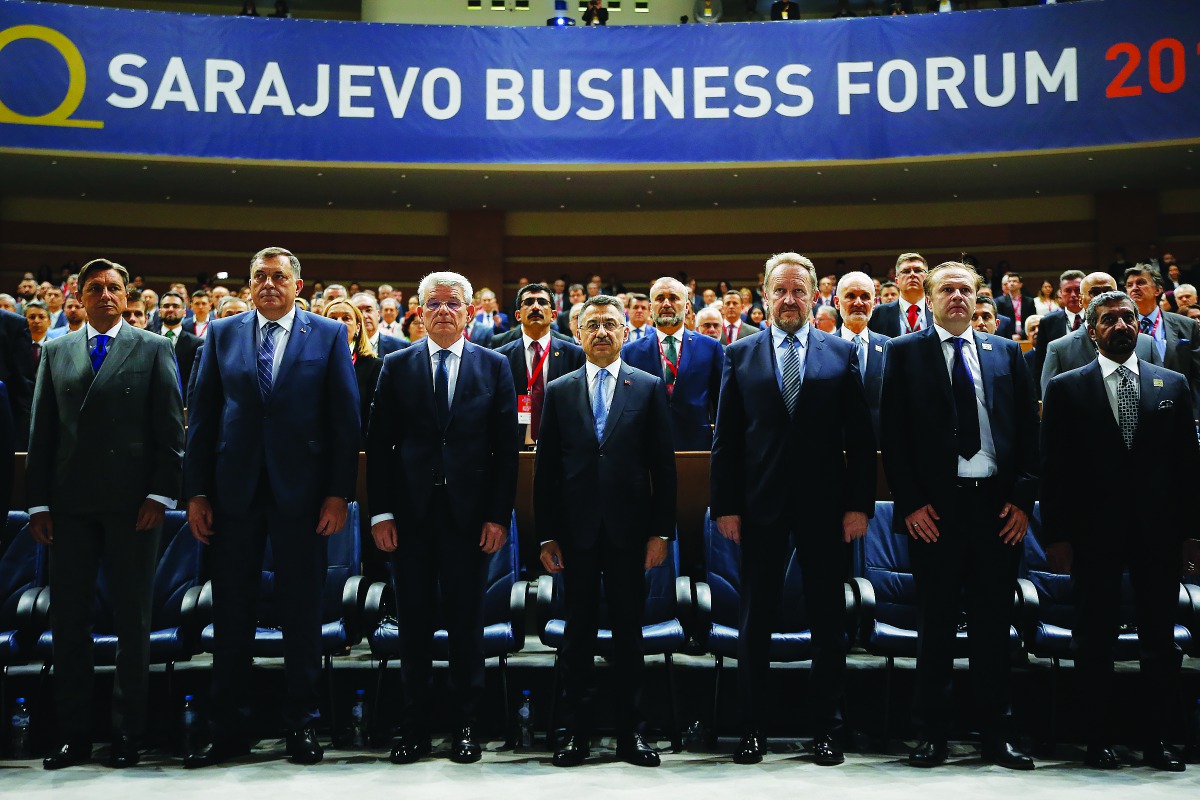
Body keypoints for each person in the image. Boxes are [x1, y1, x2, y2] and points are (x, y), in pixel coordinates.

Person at [184, 247, 360, 768]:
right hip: (232, 494)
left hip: (303, 497)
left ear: (297, 285)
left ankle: (302, 727)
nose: (267, 284)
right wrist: (195, 492)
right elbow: (204, 417)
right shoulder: (222, 333)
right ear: (248, 284)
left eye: (278, 277)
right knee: (231, 614)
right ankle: (227, 730)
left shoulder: (327, 335)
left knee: (301, 613)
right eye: (259, 276)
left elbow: (343, 420)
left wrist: (338, 492)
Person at [711, 252, 874, 766]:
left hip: (826, 509)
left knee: (828, 620)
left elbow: (861, 439)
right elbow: (728, 443)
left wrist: (858, 506)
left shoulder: (840, 352)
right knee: (755, 618)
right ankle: (751, 728)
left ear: (813, 296)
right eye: (779, 290)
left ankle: (828, 728)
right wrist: (727, 507)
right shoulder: (739, 355)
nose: (788, 299)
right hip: (759, 508)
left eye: (798, 290)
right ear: (764, 296)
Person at [880, 261, 1039, 771]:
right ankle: (931, 734)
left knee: (995, 627)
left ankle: (997, 733)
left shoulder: (1006, 352)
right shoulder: (904, 353)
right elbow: (893, 438)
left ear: (977, 299)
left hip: (997, 509)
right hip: (935, 512)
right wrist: (909, 505)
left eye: (965, 290)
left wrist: (1021, 501)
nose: (956, 297)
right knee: (937, 626)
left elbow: (1029, 438)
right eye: (946, 289)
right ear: (928, 299)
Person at [28, 258, 184, 769]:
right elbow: (43, 436)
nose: (106, 295)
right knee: (70, 623)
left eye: (114, 288)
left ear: (128, 296)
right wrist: (39, 503)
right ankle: (73, 735)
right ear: (79, 295)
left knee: (132, 624)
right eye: (95, 288)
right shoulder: (55, 350)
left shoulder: (154, 347)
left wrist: (160, 497)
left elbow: (170, 434)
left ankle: (126, 734)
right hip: (70, 507)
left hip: (132, 507)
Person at [1040, 291, 1200, 772]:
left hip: (1160, 537)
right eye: (1108, 319)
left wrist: (1192, 535)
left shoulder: (1171, 383)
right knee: (1094, 641)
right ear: (1092, 331)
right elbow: (1055, 471)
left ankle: (1157, 742)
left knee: (1160, 641)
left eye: (1128, 317)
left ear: (1140, 325)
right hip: (1093, 537)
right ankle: (1096, 740)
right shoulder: (1067, 387)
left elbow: (1189, 469)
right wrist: (1058, 537)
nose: (1120, 325)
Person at [367, 271, 519, 766]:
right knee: (411, 624)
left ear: (470, 312)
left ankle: (466, 726)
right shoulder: (397, 364)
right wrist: (381, 513)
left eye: (453, 304)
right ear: (418, 310)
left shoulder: (494, 366)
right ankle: (414, 727)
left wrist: (498, 515)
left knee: (465, 625)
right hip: (409, 516)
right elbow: (381, 448)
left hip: (469, 518)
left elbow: (504, 452)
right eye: (433, 304)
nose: (443, 311)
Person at [536, 295, 676, 768]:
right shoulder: (559, 389)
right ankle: (576, 733)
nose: (601, 332)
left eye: (610, 325)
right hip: (574, 534)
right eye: (592, 325)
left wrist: (661, 532)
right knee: (576, 637)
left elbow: (664, 467)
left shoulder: (649, 387)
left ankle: (630, 735)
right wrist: (546, 535)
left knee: (628, 636)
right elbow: (546, 471)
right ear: (577, 333)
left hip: (630, 533)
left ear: (625, 333)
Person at [623, 277, 723, 451]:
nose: (666, 304)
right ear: (650, 307)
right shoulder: (631, 352)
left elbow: (721, 402)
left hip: (697, 446)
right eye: (660, 298)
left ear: (686, 306)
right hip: (646, 448)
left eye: (674, 298)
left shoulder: (710, 347)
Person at [496, 283, 585, 447]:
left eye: (542, 302)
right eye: (529, 302)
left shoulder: (574, 355)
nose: (535, 307)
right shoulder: (500, 356)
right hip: (513, 444)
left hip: (560, 444)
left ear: (553, 315)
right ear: (517, 315)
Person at [1124, 264, 1200, 403]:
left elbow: (1197, 374)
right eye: (1129, 285)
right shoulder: (1120, 329)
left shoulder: (1187, 325)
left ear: (1158, 290)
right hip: (1138, 404)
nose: (1134, 288)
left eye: (1140, 282)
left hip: (1179, 403)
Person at [834, 271, 890, 439]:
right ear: (837, 302)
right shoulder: (821, 348)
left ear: (874, 302)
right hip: (835, 446)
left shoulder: (890, 347)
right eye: (851, 296)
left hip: (880, 446)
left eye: (865, 296)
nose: (858, 303)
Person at [324, 298, 380, 447]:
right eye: (333, 318)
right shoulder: (310, 362)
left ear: (358, 327)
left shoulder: (374, 366)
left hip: (357, 448)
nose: (339, 322)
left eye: (346, 318)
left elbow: (374, 418)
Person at [1033, 270, 1086, 376]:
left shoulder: (1096, 318)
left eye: (1077, 290)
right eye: (1068, 290)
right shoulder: (1048, 322)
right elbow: (1040, 362)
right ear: (1060, 293)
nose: (1073, 295)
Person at [156, 291, 204, 401]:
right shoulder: (148, 339)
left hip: (184, 402)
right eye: (166, 306)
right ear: (160, 311)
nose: (171, 309)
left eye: (176, 306)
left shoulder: (197, 343)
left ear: (184, 312)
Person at [869, 253, 932, 337]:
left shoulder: (938, 310)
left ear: (927, 279)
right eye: (906, 271)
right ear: (896, 281)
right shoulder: (878, 313)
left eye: (917, 270)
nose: (912, 274)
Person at [995, 271, 1036, 340]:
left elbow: (1032, 320)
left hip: (1026, 335)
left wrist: (1021, 335)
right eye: (1009, 281)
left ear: (1020, 284)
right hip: (1007, 336)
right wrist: (1010, 335)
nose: (1011, 284)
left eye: (1014, 281)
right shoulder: (1000, 301)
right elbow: (1000, 321)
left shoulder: (1029, 301)